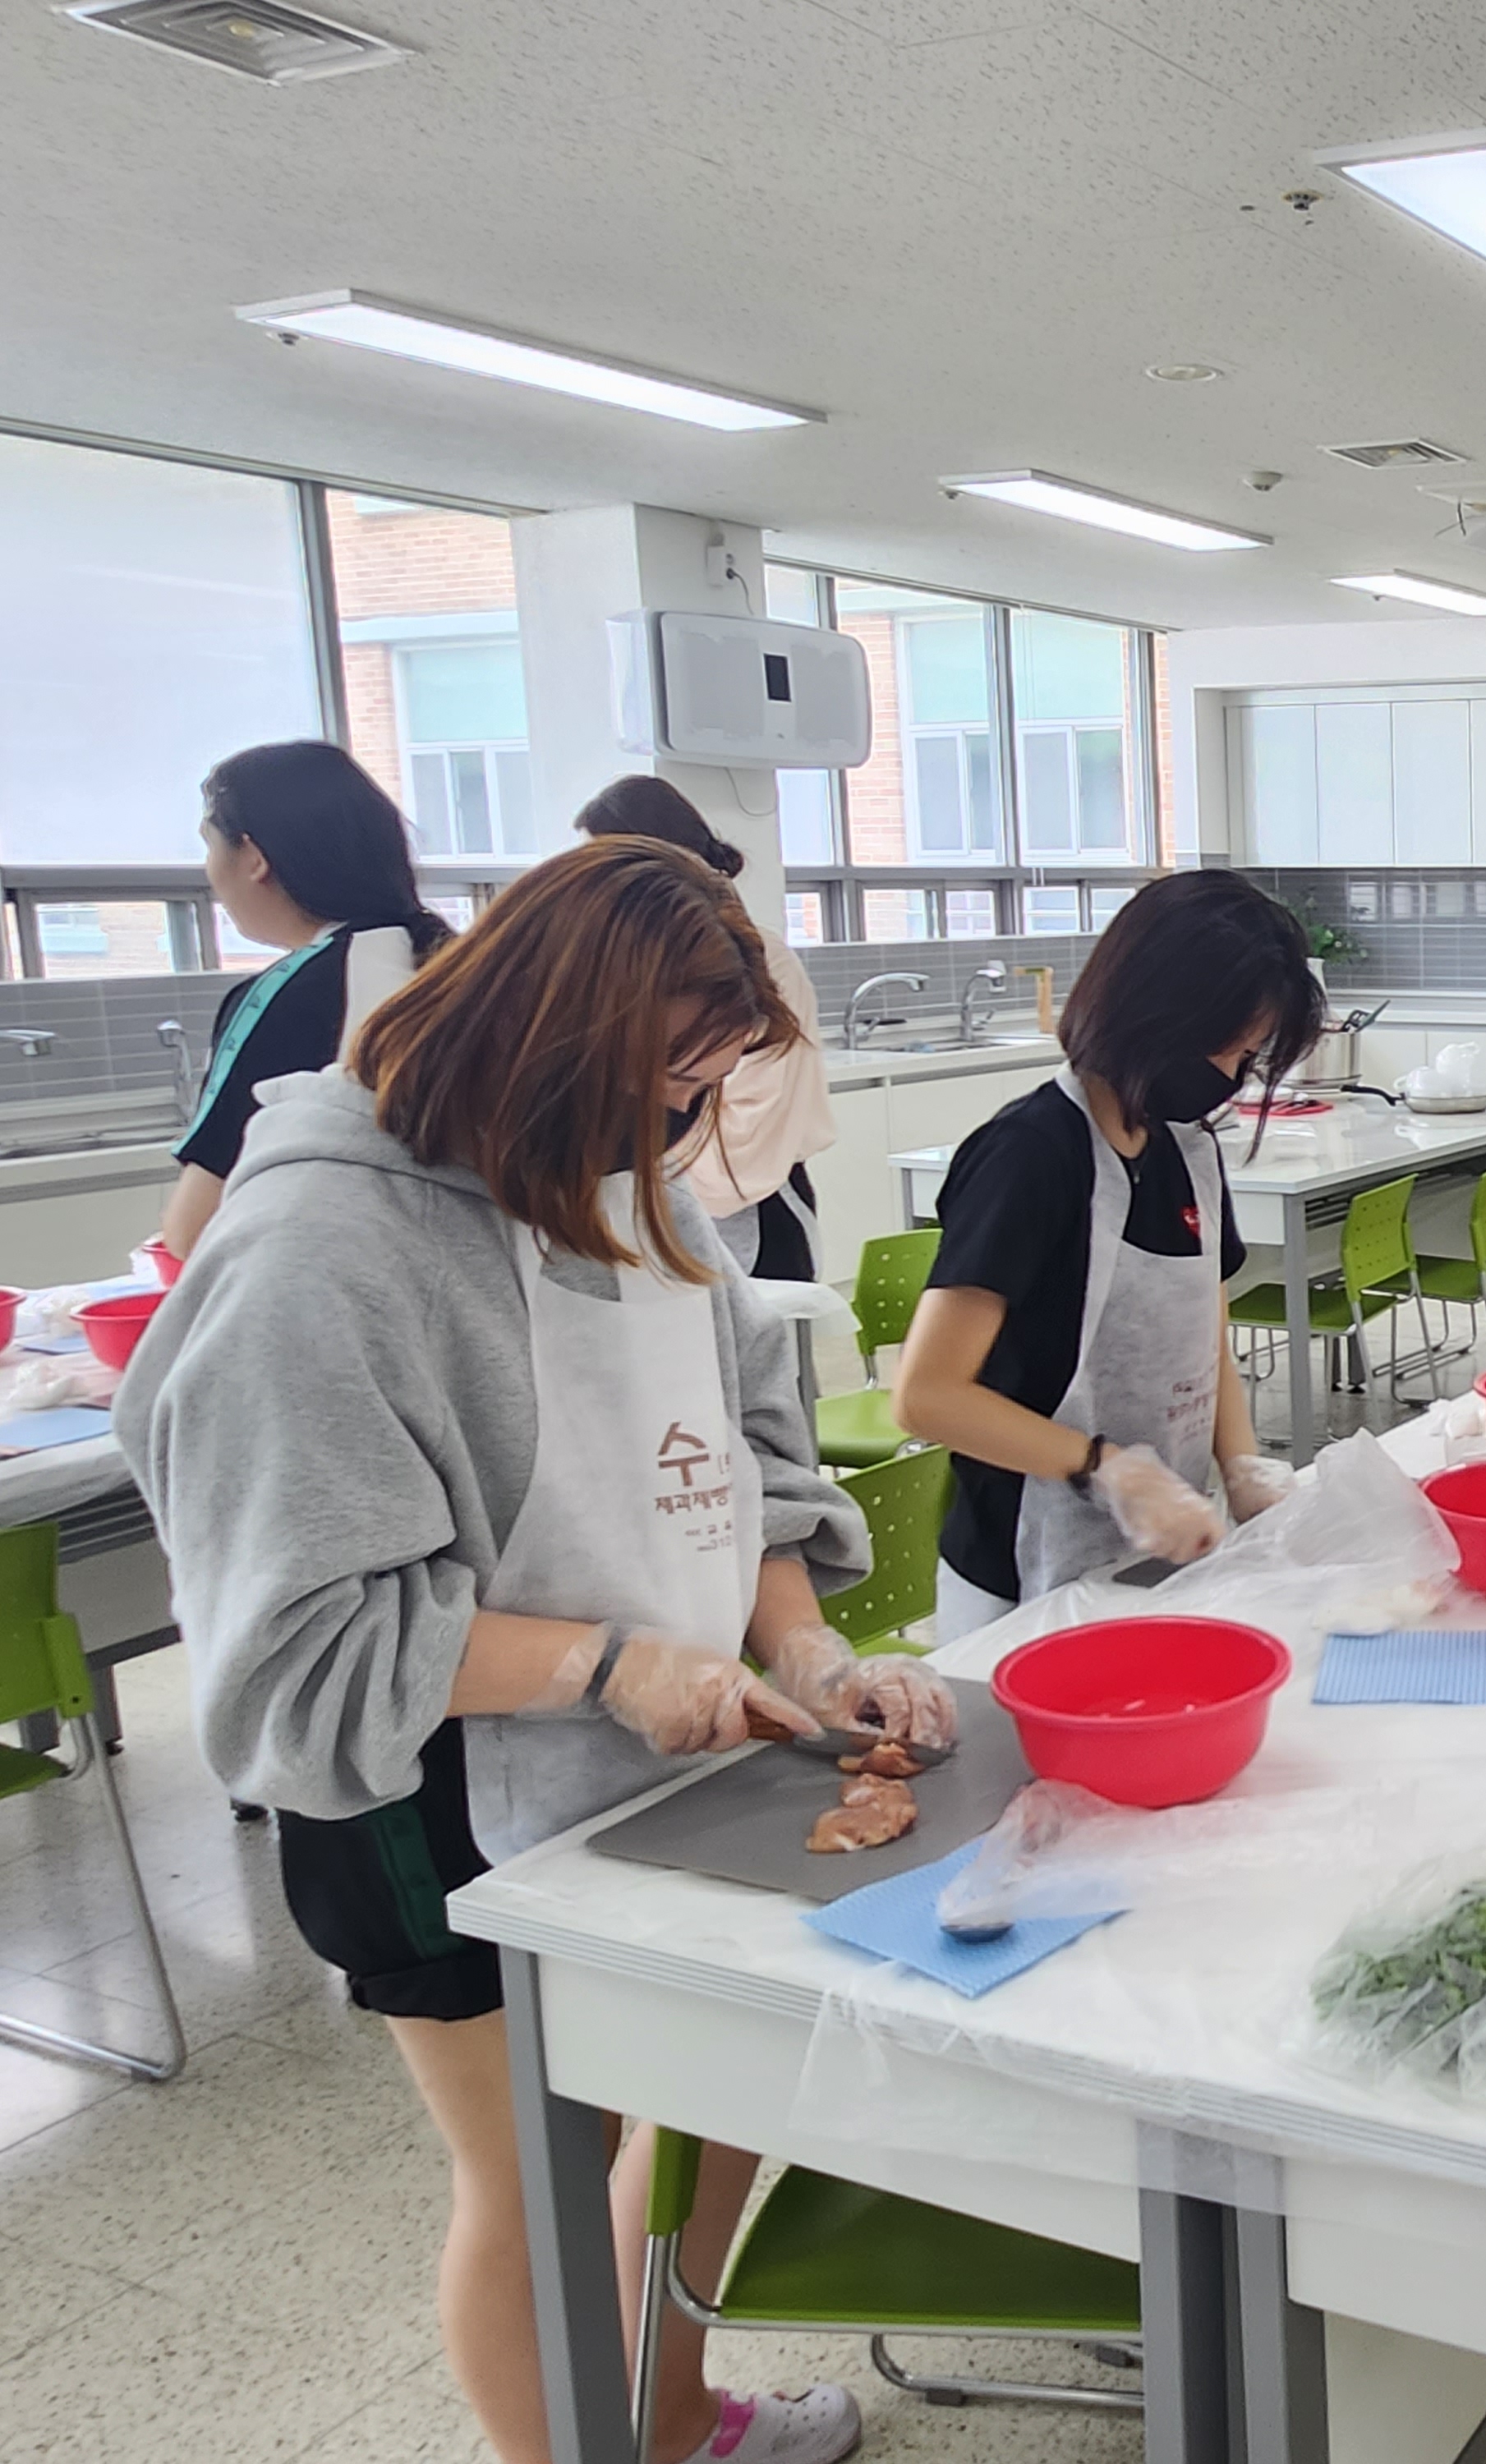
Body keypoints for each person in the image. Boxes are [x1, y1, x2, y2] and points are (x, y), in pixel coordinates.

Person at [122, 837, 945, 2464]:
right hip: (426, 1793)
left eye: (696, 1094)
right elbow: (303, 1641)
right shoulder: (319, 1250)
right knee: (540, 2175)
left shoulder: (624, 1181)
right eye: (658, 1089)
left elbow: (742, 1461)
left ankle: (671, 2418)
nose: (671, 1134)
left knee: (703, 2093)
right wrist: (610, 1667)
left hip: (652, 1764)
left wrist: (802, 1646)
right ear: (543, 1040)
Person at [895, 871, 1326, 1636]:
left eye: (1250, 1056)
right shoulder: (1029, 1156)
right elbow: (928, 1396)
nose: (1233, 1079)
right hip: (1023, 1573)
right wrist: (1105, 1466)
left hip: (1155, 1553)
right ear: (1160, 1016)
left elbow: (1206, 1341)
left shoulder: (1187, 1150)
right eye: (1230, 1051)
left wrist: (1241, 1466)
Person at [161, 741, 450, 1260]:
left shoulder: (284, 994)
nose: (210, 872)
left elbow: (196, 1231)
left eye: (210, 846)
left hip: (350, 1282)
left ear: (254, 858)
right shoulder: (463, 961)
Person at [575, 775, 838, 1281]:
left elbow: (756, 1120)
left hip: (748, 1205)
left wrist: (662, 1184)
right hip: (653, 1202)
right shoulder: (621, 966)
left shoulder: (757, 961)